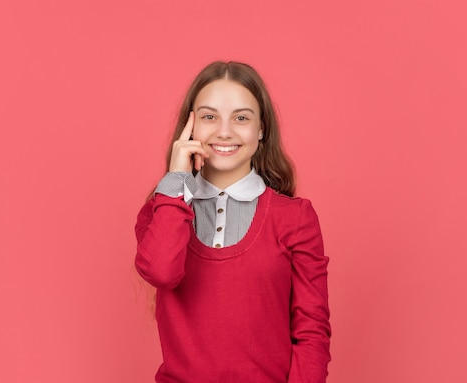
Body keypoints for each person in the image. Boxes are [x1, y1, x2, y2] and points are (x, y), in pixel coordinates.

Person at [135, 61, 330, 383]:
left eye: (241, 118)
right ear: (190, 128)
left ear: (261, 128)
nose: (224, 131)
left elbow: (312, 330)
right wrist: (175, 180)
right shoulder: (162, 210)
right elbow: (161, 272)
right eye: (210, 117)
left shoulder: (295, 218)